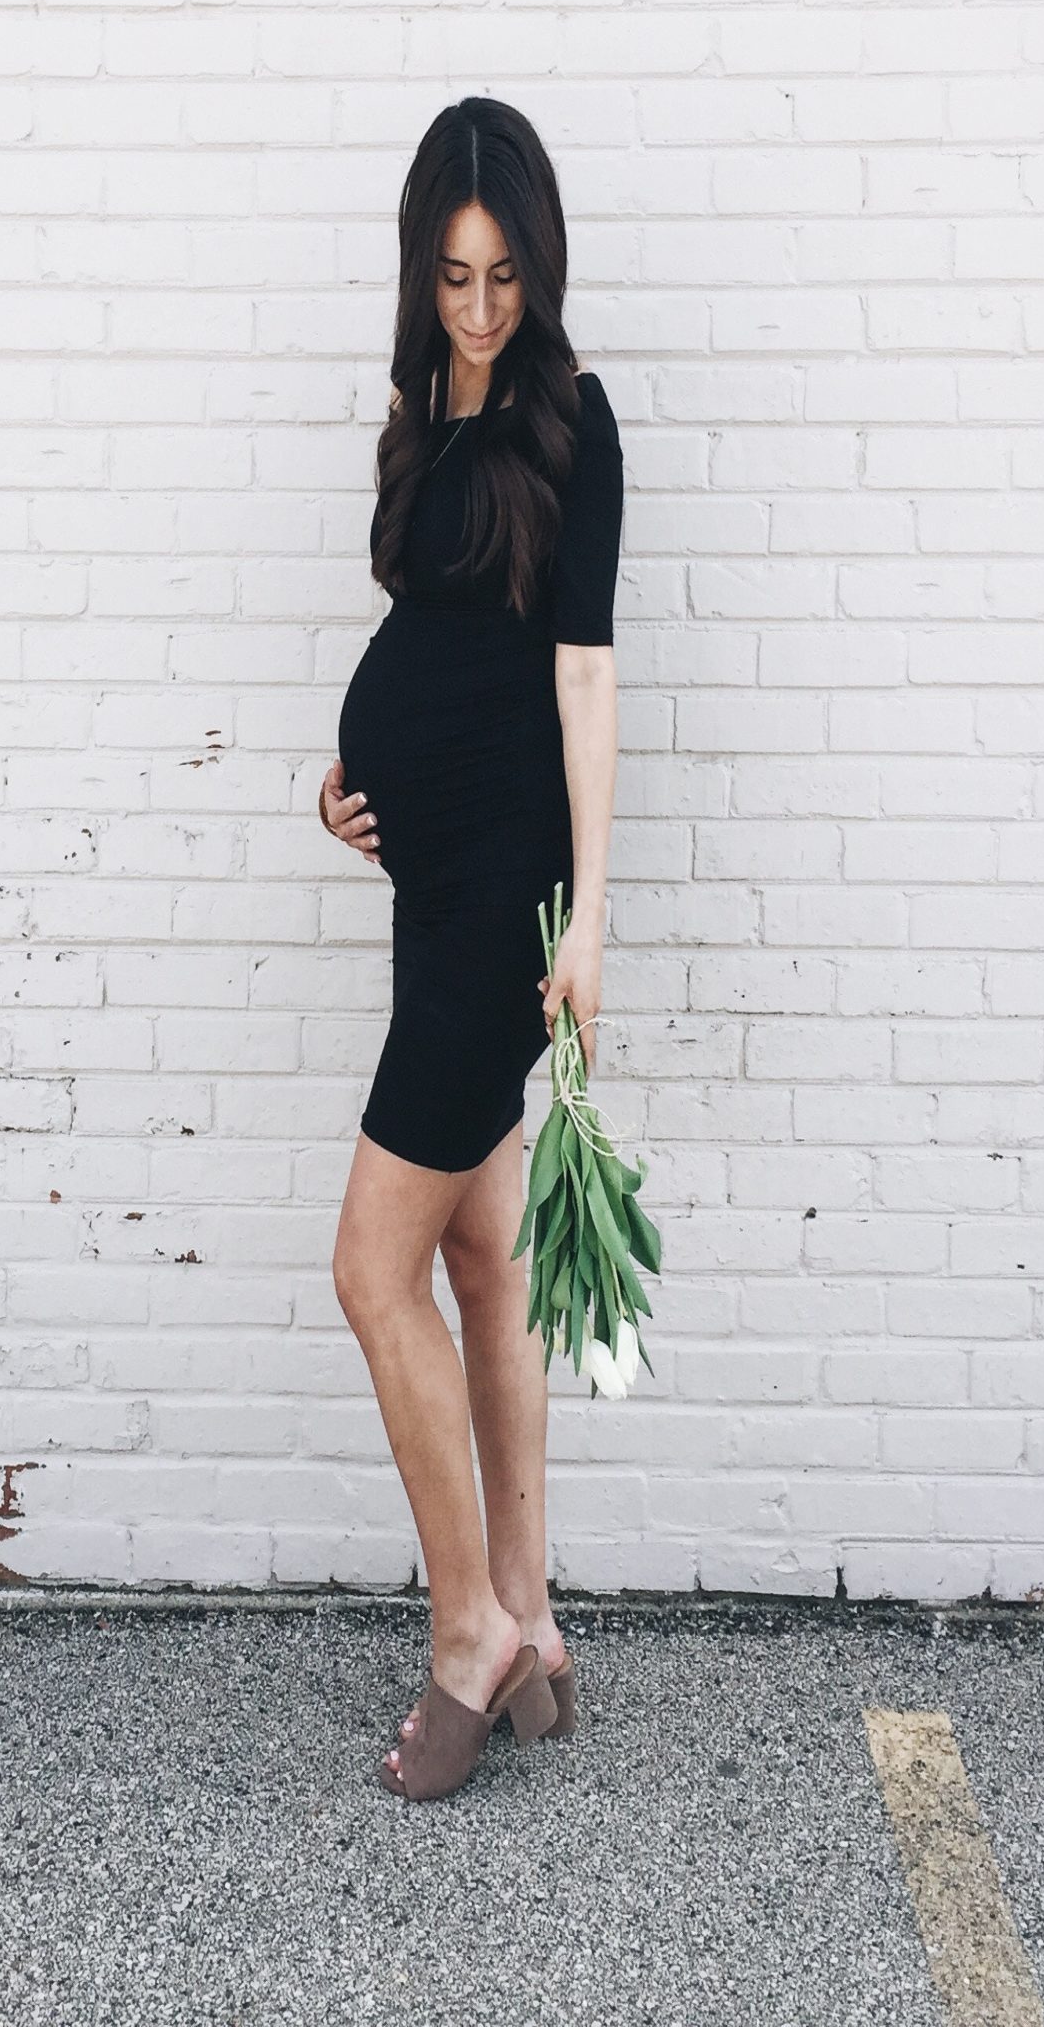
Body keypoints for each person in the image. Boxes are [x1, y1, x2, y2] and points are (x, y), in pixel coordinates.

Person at [318, 95, 626, 1801]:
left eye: (505, 276)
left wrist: (586, 917)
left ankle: (467, 1637)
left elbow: (579, 674)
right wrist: (351, 781)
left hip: (499, 906)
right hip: (423, 886)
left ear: (542, 264)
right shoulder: (424, 404)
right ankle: (534, 1613)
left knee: (371, 1269)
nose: (482, 307)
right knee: (485, 1259)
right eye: (454, 275)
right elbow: (423, 639)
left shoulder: (572, 425)